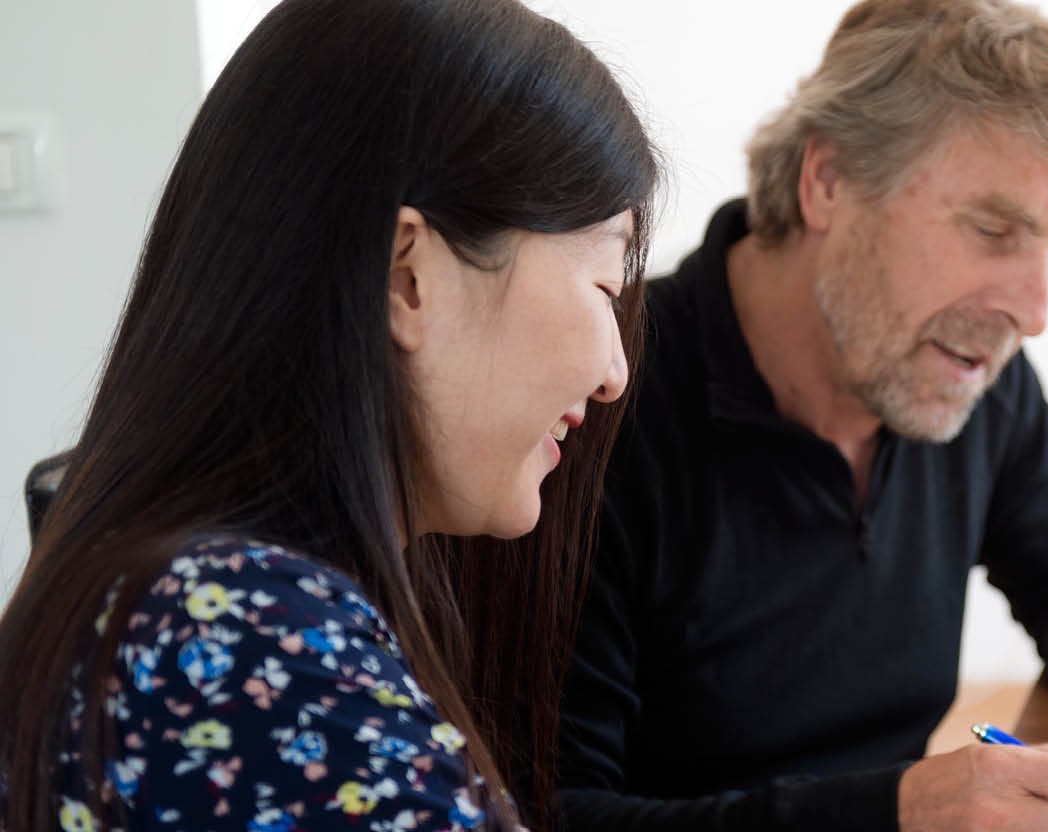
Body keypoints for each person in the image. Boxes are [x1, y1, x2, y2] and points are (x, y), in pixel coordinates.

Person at [556, 1, 1048, 829]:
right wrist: (894, 813)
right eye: (994, 229)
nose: (1037, 310)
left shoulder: (962, 373)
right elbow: (547, 813)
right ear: (828, 180)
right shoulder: (589, 410)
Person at [0, 0, 659, 829]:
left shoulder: (204, 608)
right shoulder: (245, 649)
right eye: (605, 287)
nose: (614, 374)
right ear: (408, 276)